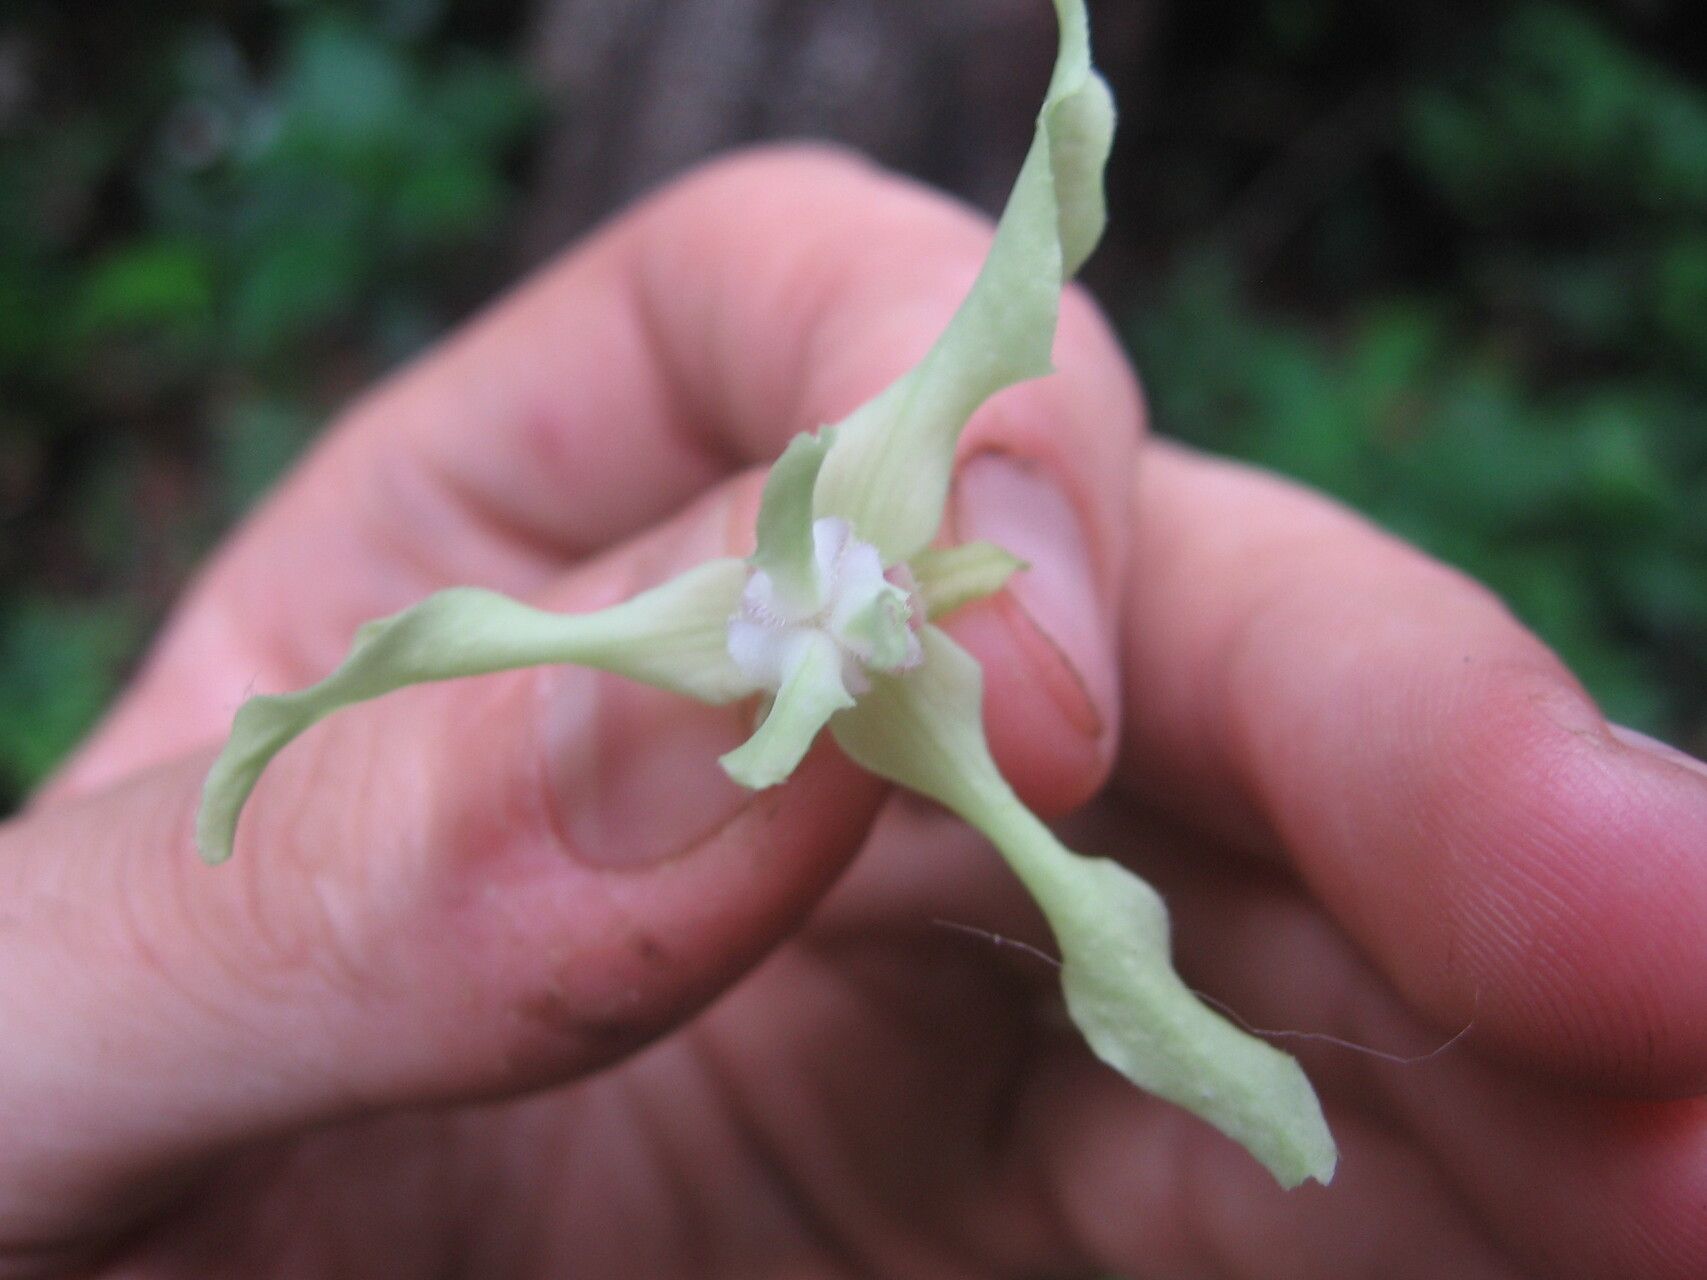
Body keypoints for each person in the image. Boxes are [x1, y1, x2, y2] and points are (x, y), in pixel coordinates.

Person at [2, 148, 1702, 1279]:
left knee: (1068, 858)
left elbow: (1017, 269)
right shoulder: (728, 637)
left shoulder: (918, 691)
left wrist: (1249, 1084)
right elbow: (449, 644)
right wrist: (266, 761)